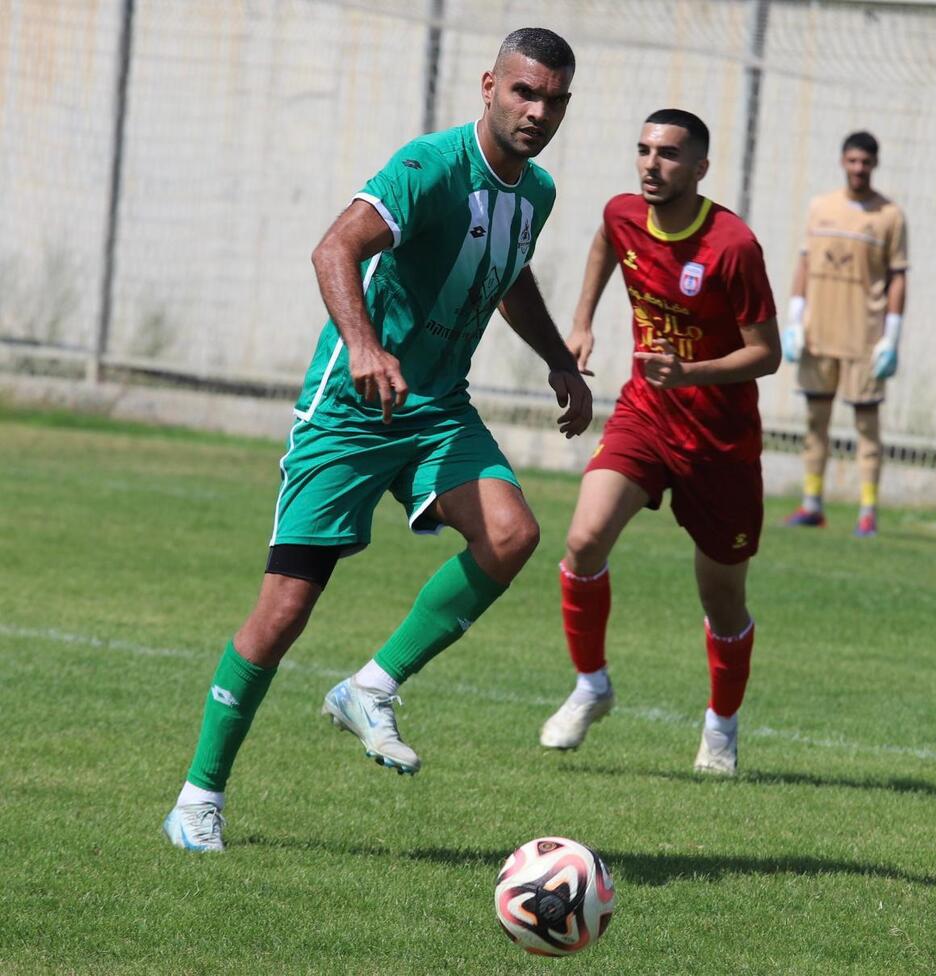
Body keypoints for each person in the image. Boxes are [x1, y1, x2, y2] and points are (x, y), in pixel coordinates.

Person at [163, 27, 591, 852]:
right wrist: (363, 344)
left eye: (553, 99)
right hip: (350, 410)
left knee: (512, 535)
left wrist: (560, 360)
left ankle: (371, 686)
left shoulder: (536, 192)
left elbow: (509, 275)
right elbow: (335, 246)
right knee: (284, 610)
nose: (537, 111)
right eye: (523, 92)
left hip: (438, 407)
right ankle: (197, 798)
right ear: (489, 86)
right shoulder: (428, 167)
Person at [538, 109, 780, 775]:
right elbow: (604, 242)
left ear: (700, 168)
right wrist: (581, 324)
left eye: (669, 154)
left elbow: (767, 354)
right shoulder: (624, 214)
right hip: (645, 416)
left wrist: (691, 373)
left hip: (720, 441)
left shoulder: (733, 246)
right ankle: (591, 685)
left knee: (722, 600)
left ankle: (721, 728)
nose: (651, 163)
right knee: (584, 540)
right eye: (644, 150)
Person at [782, 131, 909, 537]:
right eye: (852, 161)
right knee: (815, 422)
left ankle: (867, 511)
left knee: (867, 427)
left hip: (864, 338)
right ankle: (811, 504)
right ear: (842, 162)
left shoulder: (890, 215)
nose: (858, 168)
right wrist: (794, 319)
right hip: (819, 334)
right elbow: (804, 263)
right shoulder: (820, 207)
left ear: (875, 164)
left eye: (865, 162)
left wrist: (892, 336)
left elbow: (898, 277)